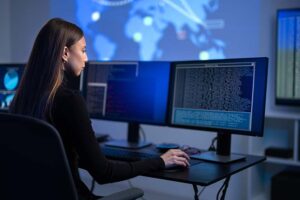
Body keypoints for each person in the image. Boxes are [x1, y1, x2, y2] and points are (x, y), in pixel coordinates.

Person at [9, 18, 190, 200]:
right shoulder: (69, 100)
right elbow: (104, 173)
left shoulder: (21, 101)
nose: (86, 58)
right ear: (65, 53)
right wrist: (160, 161)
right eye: (83, 50)